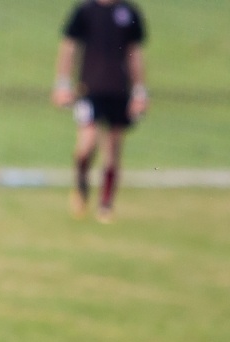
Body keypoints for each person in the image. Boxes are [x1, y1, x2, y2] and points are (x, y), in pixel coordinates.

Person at [51, 0, 148, 222]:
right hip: (89, 89)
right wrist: (62, 84)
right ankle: (81, 187)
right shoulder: (84, 11)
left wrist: (140, 91)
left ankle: (106, 204)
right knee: (87, 144)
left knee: (112, 150)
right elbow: (69, 46)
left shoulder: (128, 11)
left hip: (119, 91)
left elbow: (135, 52)